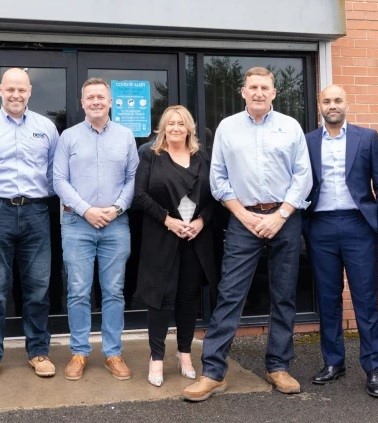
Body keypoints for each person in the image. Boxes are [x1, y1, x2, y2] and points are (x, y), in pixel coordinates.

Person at [183, 67, 312, 401]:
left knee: (283, 294)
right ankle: (213, 372)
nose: (258, 92)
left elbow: (303, 176)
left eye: (264, 87)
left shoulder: (290, 126)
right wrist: (243, 215)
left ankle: (278, 366)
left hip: (284, 218)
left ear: (274, 92)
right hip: (243, 219)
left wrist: (280, 215)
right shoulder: (228, 127)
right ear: (243, 92)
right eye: (253, 87)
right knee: (230, 294)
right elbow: (218, 178)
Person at [0, 68, 60, 383]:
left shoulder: (46, 127)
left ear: (30, 91)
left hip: (36, 212)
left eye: (22, 89)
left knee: (38, 288)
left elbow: (55, 171)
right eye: (10, 89)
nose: (16, 95)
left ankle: (38, 351)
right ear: (0, 90)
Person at [303, 85, 378, 398]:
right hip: (321, 227)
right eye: (327, 101)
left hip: (359, 226)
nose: (332, 105)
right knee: (328, 299)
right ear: (319, 106)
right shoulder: (308, 141)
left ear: (347, 104)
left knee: (365, 299)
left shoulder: (366, 138)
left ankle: (373, 367)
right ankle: (333, 362)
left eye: (337, 100)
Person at [53, 77, 140, 381]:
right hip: (77, 224)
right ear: (82, 103)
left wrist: (116, 208)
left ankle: (113, 353)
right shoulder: (68, 137)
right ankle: (79, 352)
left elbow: (133, 179)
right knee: (78, 290)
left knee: (114, 291)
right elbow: (59, 180)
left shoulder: (126, 136)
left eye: (101, 97)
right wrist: (86, 210)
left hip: (116, 224)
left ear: (110, 101)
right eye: (90, 97)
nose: (96, 102)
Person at [133, 105, 217, 387]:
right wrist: (168, 221)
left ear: (189, 128)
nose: (176, 128)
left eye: (181, 124)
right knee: (160, 298)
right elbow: (140, 195)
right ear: (163, 128)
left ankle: (184, 354)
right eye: (171, 124)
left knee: (188, 297)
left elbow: (215, 197)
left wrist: (202, 222)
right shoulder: (151, 155)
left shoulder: (202, 157)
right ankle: (156, 357)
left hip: (194, 238)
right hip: (162, 235)